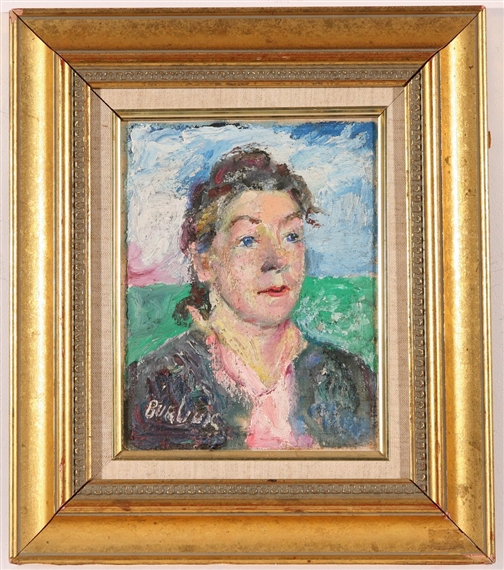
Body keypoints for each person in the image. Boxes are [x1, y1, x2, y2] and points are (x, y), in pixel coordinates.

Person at [125, 146, 376, 451]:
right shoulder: (156, 385)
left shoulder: (353, 380)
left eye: (291, 236)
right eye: (248, 240)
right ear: (205, 263)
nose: (276, 260)